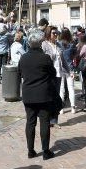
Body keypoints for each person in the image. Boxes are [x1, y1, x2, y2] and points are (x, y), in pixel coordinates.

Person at [18, 29, 57, 160]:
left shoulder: (23, 58)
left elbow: (20, 74)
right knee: (44, 122)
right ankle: (46, 151)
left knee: (30, 122)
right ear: (40, 43)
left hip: (28, 94)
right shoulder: (45, 58)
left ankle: (30, 150)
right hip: (43, 95)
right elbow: (52, 73)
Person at [56, 28, 76, 113]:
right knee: (71, 88)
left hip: (61, 67)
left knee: (61, 89)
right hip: (70, 67)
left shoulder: (58, 44)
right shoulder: (72, 44)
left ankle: (61, 109)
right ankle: (73, 107)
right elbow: (74, 55)